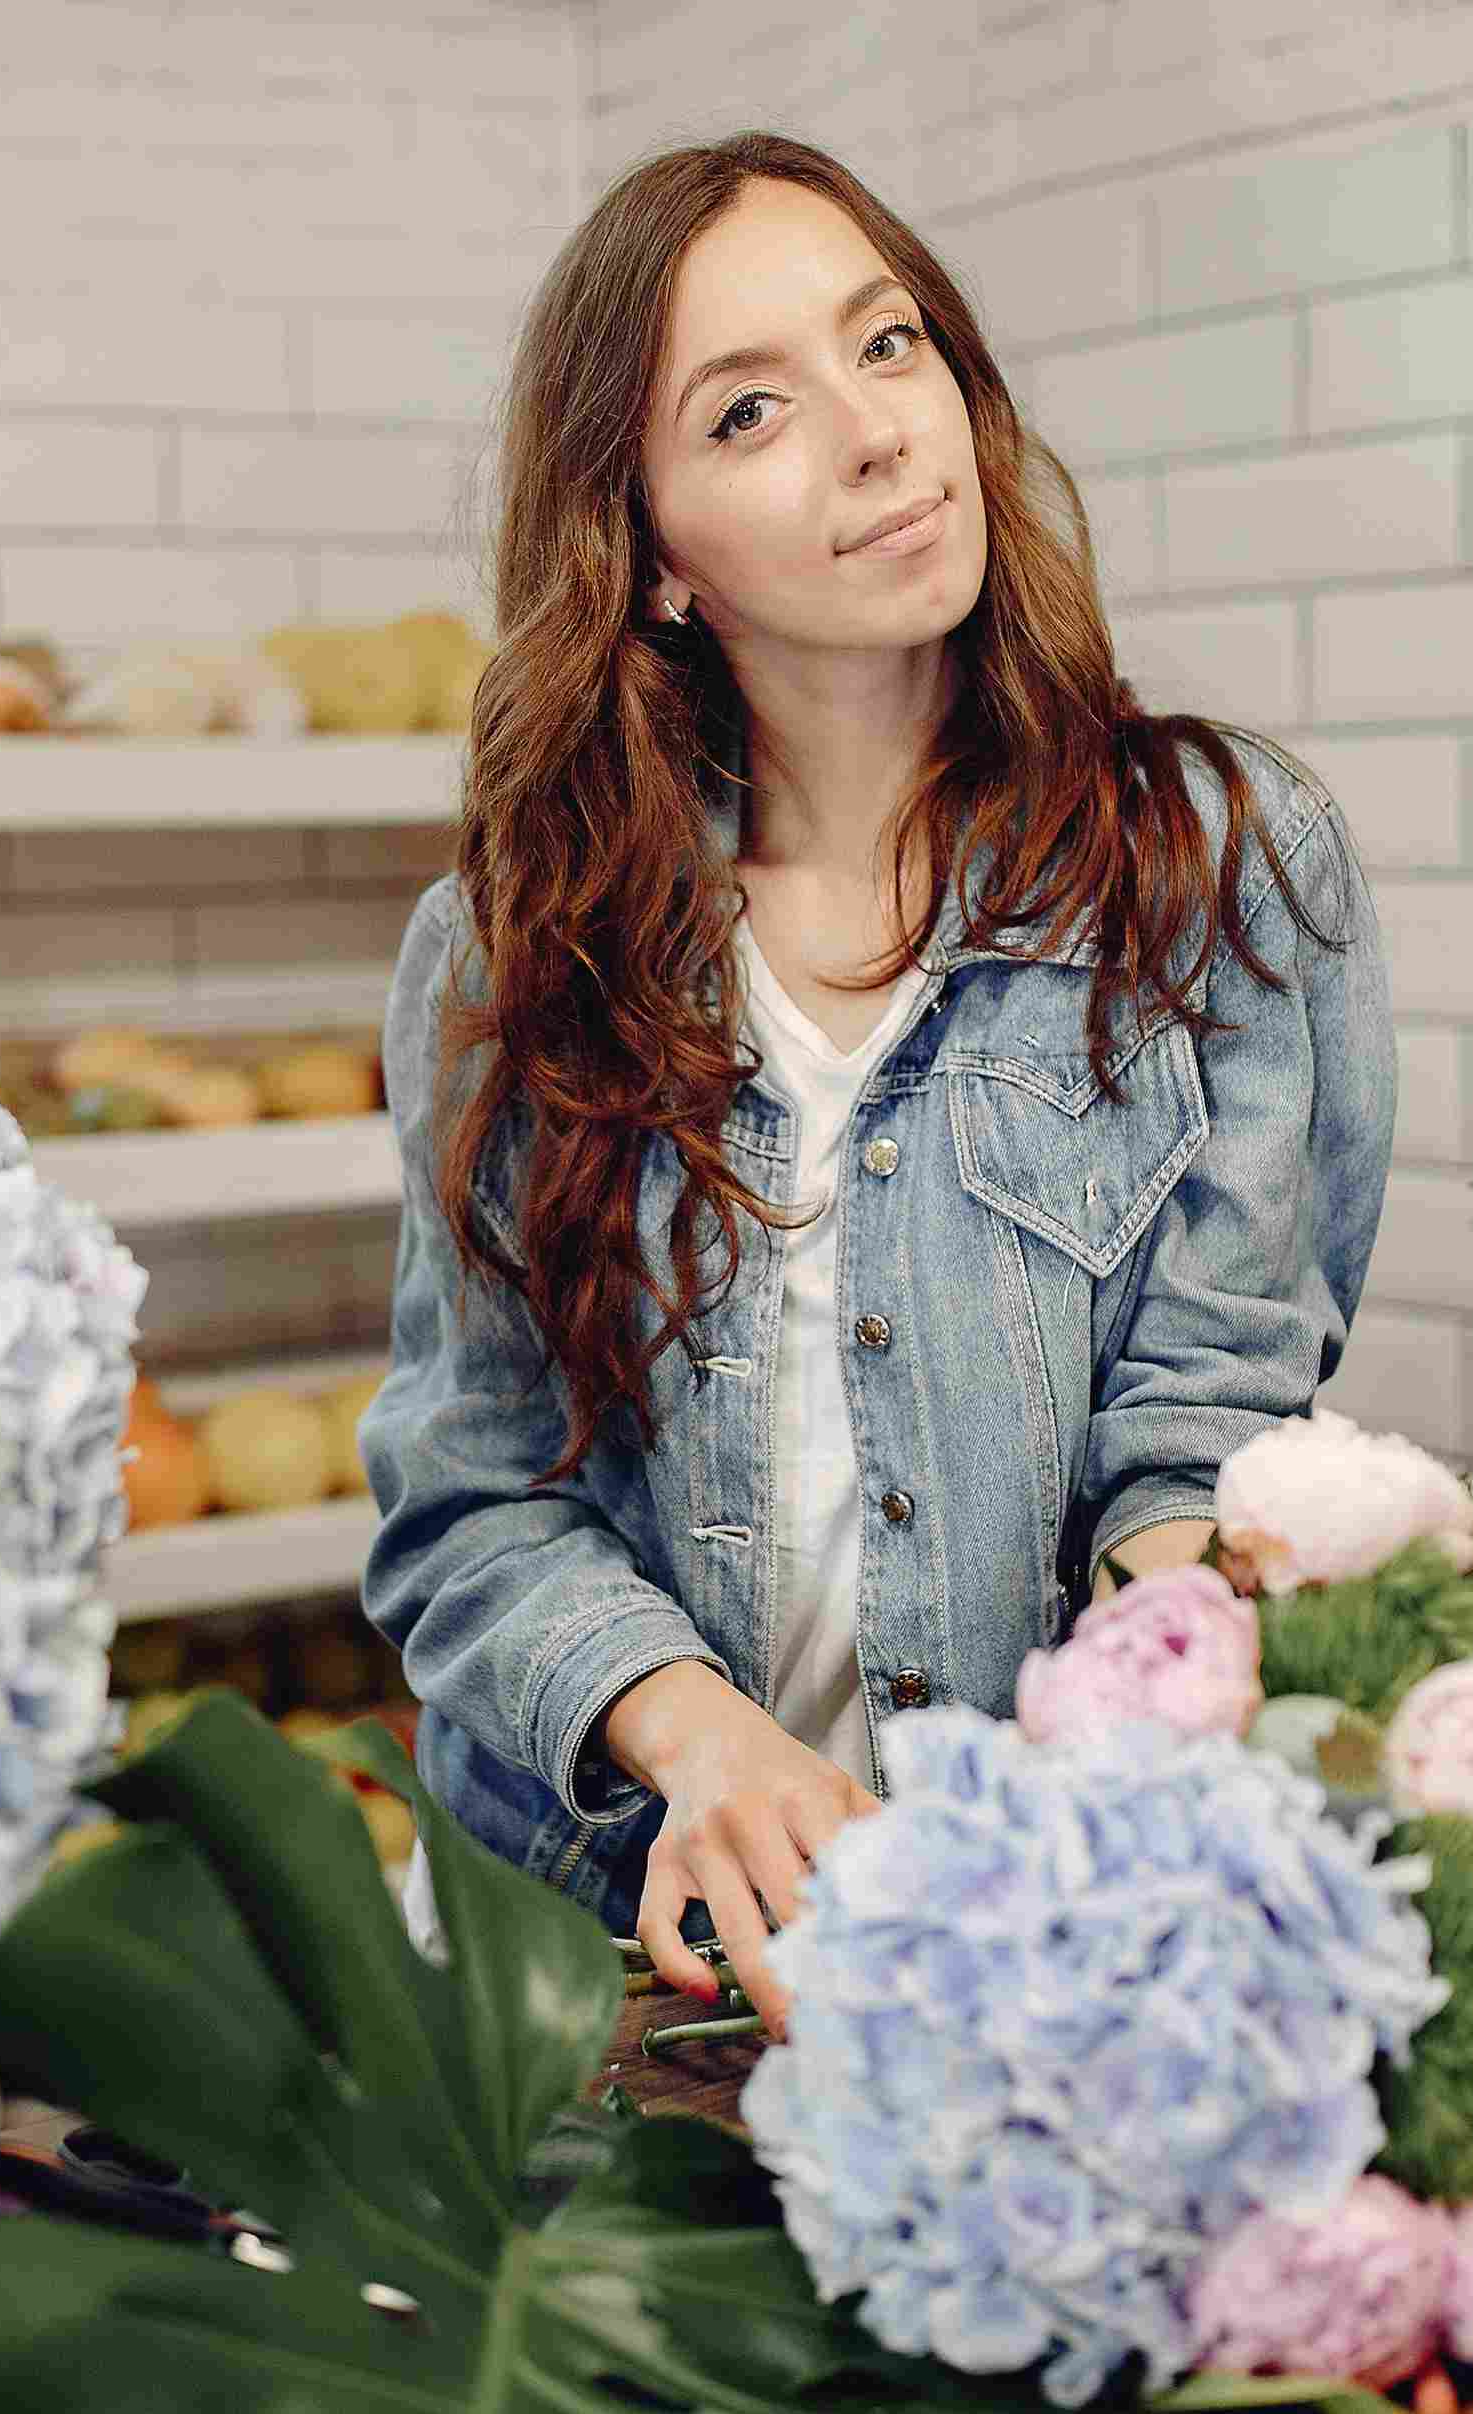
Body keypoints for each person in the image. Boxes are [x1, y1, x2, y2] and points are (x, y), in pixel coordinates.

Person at [352, 133, 1394, 2041]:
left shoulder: (1216, 866)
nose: (872, 436)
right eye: (750, 410)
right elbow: (465, 1502)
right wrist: (704, 1742)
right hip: (599, 1962)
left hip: (1031, 1935)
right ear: (650, 554)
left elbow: (1214, 1414)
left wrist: (1178, 1644)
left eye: (888, 345)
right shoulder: (518, 956)